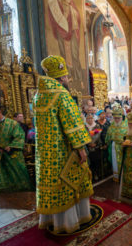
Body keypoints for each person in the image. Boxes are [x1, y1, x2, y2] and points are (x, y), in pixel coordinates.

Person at [34, 55, 93, 234]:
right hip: (63, 150)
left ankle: (53, 220)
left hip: (45, 152)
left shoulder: (38, 95)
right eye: (66, 77)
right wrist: (81, 148)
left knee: (53, 182)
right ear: (61, 78)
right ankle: (70, 221)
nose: (67, 80)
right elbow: (72, 122)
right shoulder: (62, 94)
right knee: (70, 181)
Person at [105, 107, 127, 182]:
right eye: (115, 118)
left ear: (121, 117)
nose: (117, 120)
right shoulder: (112, 125)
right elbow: (108, 135)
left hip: (123, 147)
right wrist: (107, 142)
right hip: (114, 146)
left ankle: (123, 176)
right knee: (115, 161)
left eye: (118, 118)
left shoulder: (126, 125)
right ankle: (116, 176)